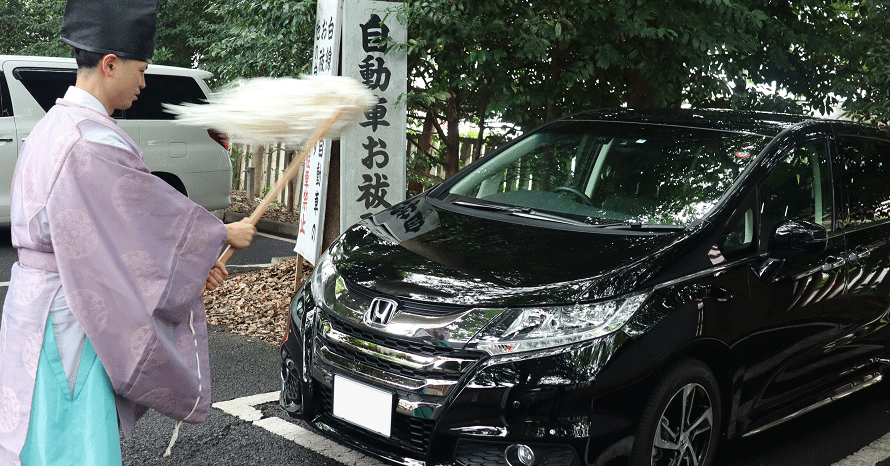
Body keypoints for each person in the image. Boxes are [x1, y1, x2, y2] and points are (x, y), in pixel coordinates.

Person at [0, 0, 256, 463]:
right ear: (110, 63)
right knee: (70, 441)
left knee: (31, 432)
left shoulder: (54, 125)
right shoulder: (89, 140)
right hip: (68, 312)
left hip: (33, 302)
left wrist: (197, 264)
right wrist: (217, 235)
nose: (143, 82)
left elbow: (113, 231)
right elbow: (143, 222)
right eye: (140, 70)